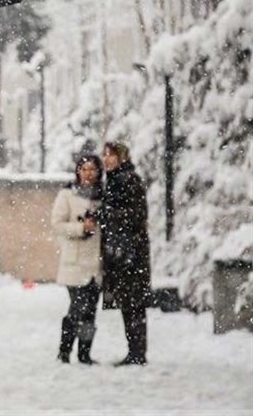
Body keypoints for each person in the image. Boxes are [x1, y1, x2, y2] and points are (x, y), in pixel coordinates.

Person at [97, 141, 151, 366]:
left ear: (122, 157)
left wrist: (108, 214)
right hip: (123, 252)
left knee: (133, 303)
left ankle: (137, 353)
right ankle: (135, 351)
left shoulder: (128, 180)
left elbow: (137, 214)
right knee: (129, 303)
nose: (107, 159)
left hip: (131, 253)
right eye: (105, 155)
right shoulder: (115, 180)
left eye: (112, 155)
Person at [51, 154, 103, 365]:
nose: (88, 173)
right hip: (74, 262)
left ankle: (85, 353)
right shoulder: (67, 195)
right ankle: (64, 351)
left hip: (95, 264)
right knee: (77, 308)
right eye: (84, 169)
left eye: (92, 169)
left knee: (90, 311)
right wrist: (81, 228)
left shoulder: (103, 196)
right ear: (78, 172)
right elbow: (57, 224)